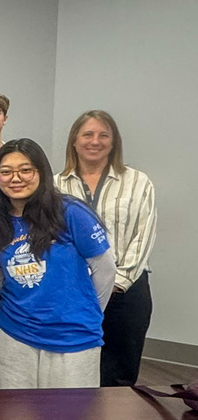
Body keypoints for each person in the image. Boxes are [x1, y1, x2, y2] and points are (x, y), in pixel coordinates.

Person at [0, 138, 115, 389]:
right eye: (6, 171)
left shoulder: (70, 212)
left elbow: (105, 270)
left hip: (73, 336)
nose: (16, 178)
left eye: (25, 170)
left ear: (41, 172)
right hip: (14, 334)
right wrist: (27, 300)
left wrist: (86, 311)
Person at [56, 110, 157, 387]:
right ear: (74, 141)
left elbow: (143, 236)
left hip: (126, 291)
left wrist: (115, 282)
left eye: (103, 135)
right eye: (87, 134)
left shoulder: (138, 183)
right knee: (74, 370)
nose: (95, 141)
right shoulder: (55, 185)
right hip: (75, 293)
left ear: (114, 142)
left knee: (119, 376)